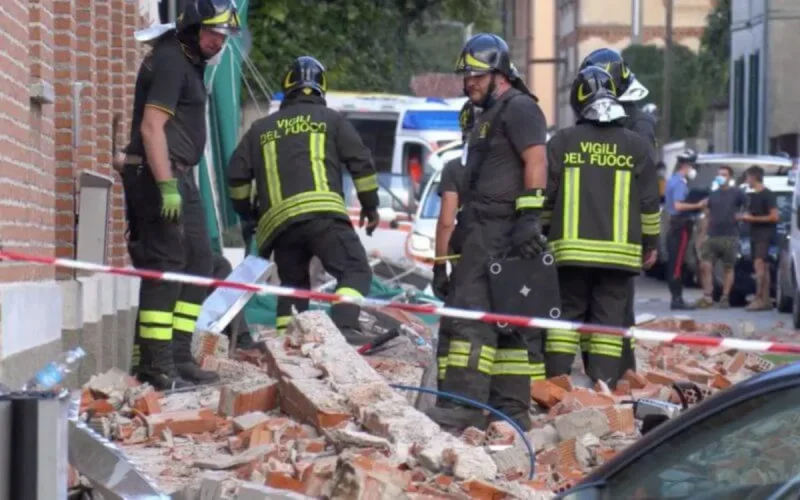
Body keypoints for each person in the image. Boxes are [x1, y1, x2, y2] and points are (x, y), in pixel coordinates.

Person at [427, 33, 549, 432]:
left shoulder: (519, 108)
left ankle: (461, 408)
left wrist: (529, 216)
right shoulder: (487, 116)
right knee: (506, 324)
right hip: (486, 232)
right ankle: (511, 412)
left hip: (499, 231)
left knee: (470, 319)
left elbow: (536, 160)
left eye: (476, 76)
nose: (469, 83)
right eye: (466, 76)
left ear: (499, 74)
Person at [120, 0, 241, 390]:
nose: (218, 42)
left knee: (201, 262)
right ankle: (155, 366)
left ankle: (176, 356)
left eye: (223, 37)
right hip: (159, 173)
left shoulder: (189, 62)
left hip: (181, 175)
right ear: (193, 25)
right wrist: (166, 184)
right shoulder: (171, 60)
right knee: (167, 263)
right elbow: (152, 128)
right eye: (212, 33)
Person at [226, 56, 381, 343]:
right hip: (323, 217)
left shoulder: (260, 129)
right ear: (321, 88)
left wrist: (248, 214)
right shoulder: (332, 120)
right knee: (355, 270)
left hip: (279, 228)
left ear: (287, 88)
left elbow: (236, 177)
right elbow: (361, 163)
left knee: (293, 285)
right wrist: (370, 205)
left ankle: (289, 343)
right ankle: (345, 330)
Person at [543, 66, 660, 386]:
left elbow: (545, 199)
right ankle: (603, 387)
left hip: (569, 256)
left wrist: (542, 234)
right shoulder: (636, 146)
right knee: (608, 326)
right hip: (619, 259)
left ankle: (556, 386)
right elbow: (650, 204)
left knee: (564, 322)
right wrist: (651, 245)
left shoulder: (562, 142)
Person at [578, 48, 657, 376]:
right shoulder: (615, 117)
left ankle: (621, 377)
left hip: (622, 231)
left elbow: (645, 184)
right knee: (594, 312)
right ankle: (605, 379)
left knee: (617, 313)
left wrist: (648, 240)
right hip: (598, 225)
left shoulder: (637, 124)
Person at [431, 100, 476, 388]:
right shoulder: (513, 165)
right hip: (509, 262)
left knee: (458, 327)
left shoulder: (454, 168)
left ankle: (452, 391)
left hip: (466, 264)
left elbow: (447, 220)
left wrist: (439, 268)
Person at [695, 166, 746, 308]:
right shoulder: (713, 194)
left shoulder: (737, 193)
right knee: (705, 265)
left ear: (730, 177)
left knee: (728, 267)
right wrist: (702, 236)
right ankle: (708, 296)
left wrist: (742, 216)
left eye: (724, 174)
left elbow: (748, 206)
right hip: (712, 236)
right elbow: (707, 216)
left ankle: (725, 297)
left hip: (730, 235)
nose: (720, 177)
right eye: (719, 174)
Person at [664, 151, 707, 310]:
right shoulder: (680, 183)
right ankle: (677, 299)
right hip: (680, 225)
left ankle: (677, 298)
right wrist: (698, 205)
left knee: (676, 261)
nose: (693, 169)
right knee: (677, 263)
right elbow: (678, 205)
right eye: (692, 166)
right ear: (687, 165)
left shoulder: (673, 180)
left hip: (675, 225)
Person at [739, 165, 779, 311]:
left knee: (760, 265)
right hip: (754, 235)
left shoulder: (768, 194)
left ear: (754, 177)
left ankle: (759, 298)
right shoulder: (752, 196)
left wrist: (753, 219)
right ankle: (766, 299)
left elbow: (774, 216)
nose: (746, 180)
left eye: (748, 177)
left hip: (765, 235)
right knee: (763, 267)